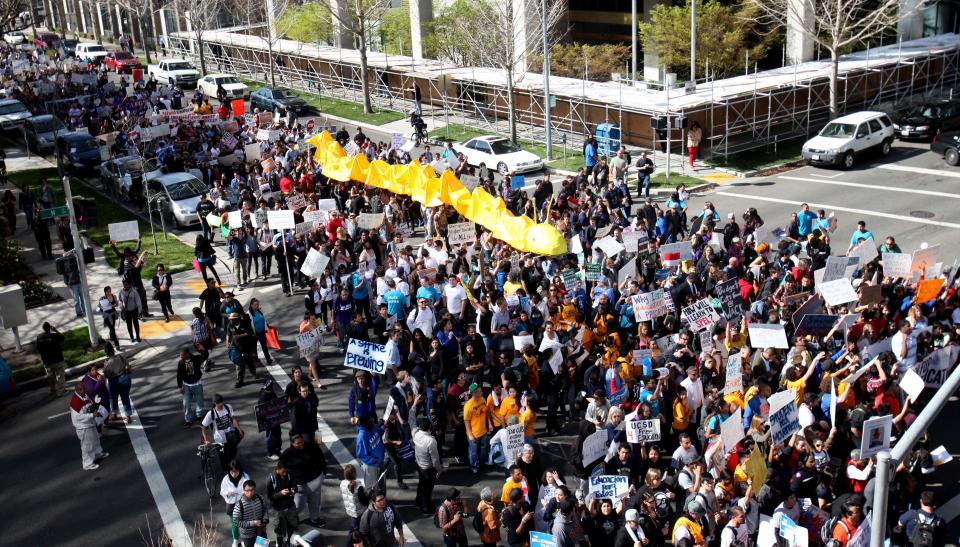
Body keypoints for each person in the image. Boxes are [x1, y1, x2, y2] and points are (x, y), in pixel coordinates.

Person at [70, 381, 109, 470]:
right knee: (87, 445)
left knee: (95, 439)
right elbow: (78, 417)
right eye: (81, 390)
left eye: (84, 388)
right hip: (83, 427)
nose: (84, 391)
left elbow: (89, 406)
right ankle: (87, 464)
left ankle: (98, 453)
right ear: (77, 390)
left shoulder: (83, 395)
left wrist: (95, 407)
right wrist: (92, 415)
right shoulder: (75, 402)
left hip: (89, 423)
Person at [201, 394, 244, 469]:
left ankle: (232, 465)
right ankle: (225, 469)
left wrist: (239, 430)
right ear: (215, 403)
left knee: (232, 452)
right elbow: (203, 428)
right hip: (219, 440)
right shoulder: (211, 414)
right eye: (218, 403)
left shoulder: (228, 407)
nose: (221, 404)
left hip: (230, 436)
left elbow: (233, 419)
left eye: (221, 402)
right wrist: (206, 440)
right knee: (223, 455)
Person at [266, 461, 299, 545]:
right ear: (278, 469)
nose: (284, 473)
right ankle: (279, 543)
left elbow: (294, 484)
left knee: (291, 526)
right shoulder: (271, 479)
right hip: (278, 509)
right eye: (283, 472)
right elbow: (270, 497)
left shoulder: (289, 473)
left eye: (286, 471)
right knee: (279, 528)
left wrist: (293, 490)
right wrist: (280, 494)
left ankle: (290, 542)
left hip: (290, 505)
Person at [413, 416, 440, 514]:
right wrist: (439, 469)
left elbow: (412, 423)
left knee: (421, 484)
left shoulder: (416, 434)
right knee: (428, 490)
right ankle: (427, 508)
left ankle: (418, 501)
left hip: (419, 465)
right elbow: (435, 459)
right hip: (428, 469)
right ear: (429, 427)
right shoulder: (431, 441)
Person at [102, 342, 132, 423]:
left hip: (114, 382)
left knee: (113, 398)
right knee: (125, 397)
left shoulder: (106, 363)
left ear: (106, 352)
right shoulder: (121, 358)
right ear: (113, 350)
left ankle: (114, 414)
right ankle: (128, 416)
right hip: (125, 380)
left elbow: (106, 375)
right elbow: (128, 367)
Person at [463, 382, 490, 475]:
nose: (481, 392)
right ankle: (474, 467)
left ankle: (481, 464)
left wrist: (489, 424)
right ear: (473, 393)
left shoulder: (482, 399)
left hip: (483, 431)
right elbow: (466, 421)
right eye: (479, 391)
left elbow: (485, 412)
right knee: (473, 452)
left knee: (483, 449)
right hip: (474, 433)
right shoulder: (468, 406)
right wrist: (470, 435)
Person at [356, 415, 386, 494]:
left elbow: (379, 431)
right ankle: (372, 504)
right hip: (371, 466)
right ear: (365, 424)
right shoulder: (361, 437)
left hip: (380, 461)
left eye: (372, 420)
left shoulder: (372, 427)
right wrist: (373, 459)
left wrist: (384, 427)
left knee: (382, 483)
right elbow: (360, 455)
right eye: (371, 422)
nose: (373, 422)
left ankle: (382, 500)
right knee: (372, 487)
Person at [233, 479, 268, 547]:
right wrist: (253, 523)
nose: (250, 493)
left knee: (262, 546)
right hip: (247, 536)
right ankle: (242, 544)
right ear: (243, 490)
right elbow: (236, 522)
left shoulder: (260, 498)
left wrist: (265, 519)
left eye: (252, 490)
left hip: (261, 532)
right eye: (247, 490)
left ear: (255, 489)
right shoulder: (239, 505)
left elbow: (265, 509)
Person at [177, 346, 205, 426]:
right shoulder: (181, 363)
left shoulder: (196, 359)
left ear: (187, 354)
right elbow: (179, 375)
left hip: (197, 384)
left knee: (200, 401)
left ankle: (199, 414)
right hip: (186, 386)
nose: (181, 356)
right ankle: (188, 420)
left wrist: (203, 349)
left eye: (182, 355)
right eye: (180, 355)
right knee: (186, 403)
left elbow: (204, 356)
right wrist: (180, 386)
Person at [36, 322, 66, 396]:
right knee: (60, 376)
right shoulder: (55, 336)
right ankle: (61, 392)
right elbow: (63, 337)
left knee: (51, 376)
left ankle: (54, 390)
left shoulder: (39, 337)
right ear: (50, 328)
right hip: (57, 360)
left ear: (43, 328)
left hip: (47, 361)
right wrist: (55, 330)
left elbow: (38, 348)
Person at [259, 380, 283, 460]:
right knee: (269, 436)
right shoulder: (263, 397)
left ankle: (277, 449)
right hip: (268, 420)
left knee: (277, 434)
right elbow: (262, 411)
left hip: (275, 417)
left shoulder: (271, 393)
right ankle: (270, 452)